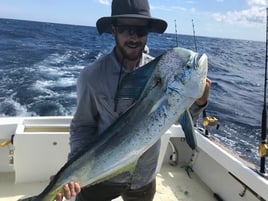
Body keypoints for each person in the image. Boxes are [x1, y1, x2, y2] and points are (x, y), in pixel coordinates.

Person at [56, 0, 211, 200]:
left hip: (143, 177)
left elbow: (179, 114)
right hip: (101, 175)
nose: (134, 36)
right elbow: (83, 126)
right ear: (114, 30)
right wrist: (73, 172)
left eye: (141, 30)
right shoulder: (92, 76)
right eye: (126, 29)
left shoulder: (162, 71)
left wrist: (199, 104)